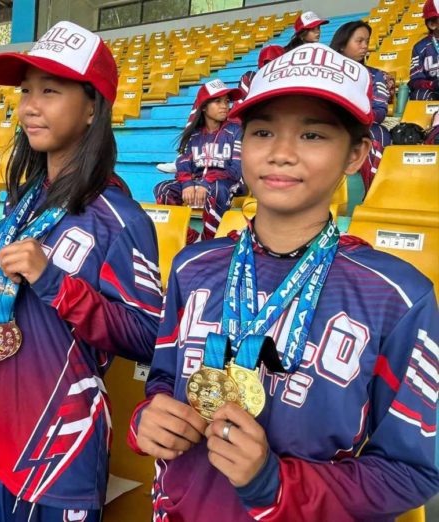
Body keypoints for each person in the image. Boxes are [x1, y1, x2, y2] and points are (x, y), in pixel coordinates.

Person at [129, 43, 439, 521]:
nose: (280, 153)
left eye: (312, 135)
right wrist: (149, 416)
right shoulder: (193, 268)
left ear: (356, 153)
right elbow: (166, 378)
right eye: (263, 132)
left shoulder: (398, 298)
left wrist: (275, 483)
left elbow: (412, 472)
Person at [0, 20, 162, 522]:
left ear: (92, 108)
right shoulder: (21, 207)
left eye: (50, 91)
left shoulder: (121, 219)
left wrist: (53, 283)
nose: (29, 106)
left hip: (56, 448)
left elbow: (151, 335)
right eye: (25, 92)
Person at [153, 79, 243, 241]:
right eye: (218, 101)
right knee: (163, 189)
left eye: (227, 101)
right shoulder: (193, 135)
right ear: (203, 107)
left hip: (227, 185)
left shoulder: (235, 131)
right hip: (198, 184)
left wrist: (206, 182)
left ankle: (209, 241)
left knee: (216, 188)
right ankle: (190, 238)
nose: (225, 106)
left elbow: (236, 170)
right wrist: (187, 184)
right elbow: (183, 163)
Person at [331, 20, 392, 193]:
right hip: (332, 126)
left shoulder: (375, 75)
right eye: (359, 41)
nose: (365, 46)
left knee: (378, 132)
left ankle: (371, 193)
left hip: (362, 126)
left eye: (367, 41)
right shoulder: (327, 74)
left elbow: (379, 112)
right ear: (342, 45)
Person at [409, 0, 439, 101]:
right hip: (433, 92)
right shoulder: (420, 48)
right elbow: (415, 81)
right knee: (418, 95)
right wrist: (433, 84)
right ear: (432, 24)